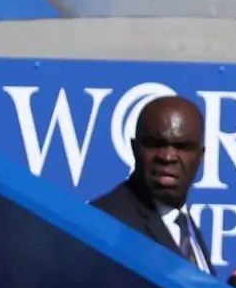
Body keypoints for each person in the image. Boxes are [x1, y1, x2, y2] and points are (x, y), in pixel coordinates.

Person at [90, 96, 214, 273]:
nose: (167, 157)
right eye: (155, 144)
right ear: (134, 148)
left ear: (200, 156)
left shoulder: (184, 225)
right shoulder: (106, 224)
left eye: (182, 146)